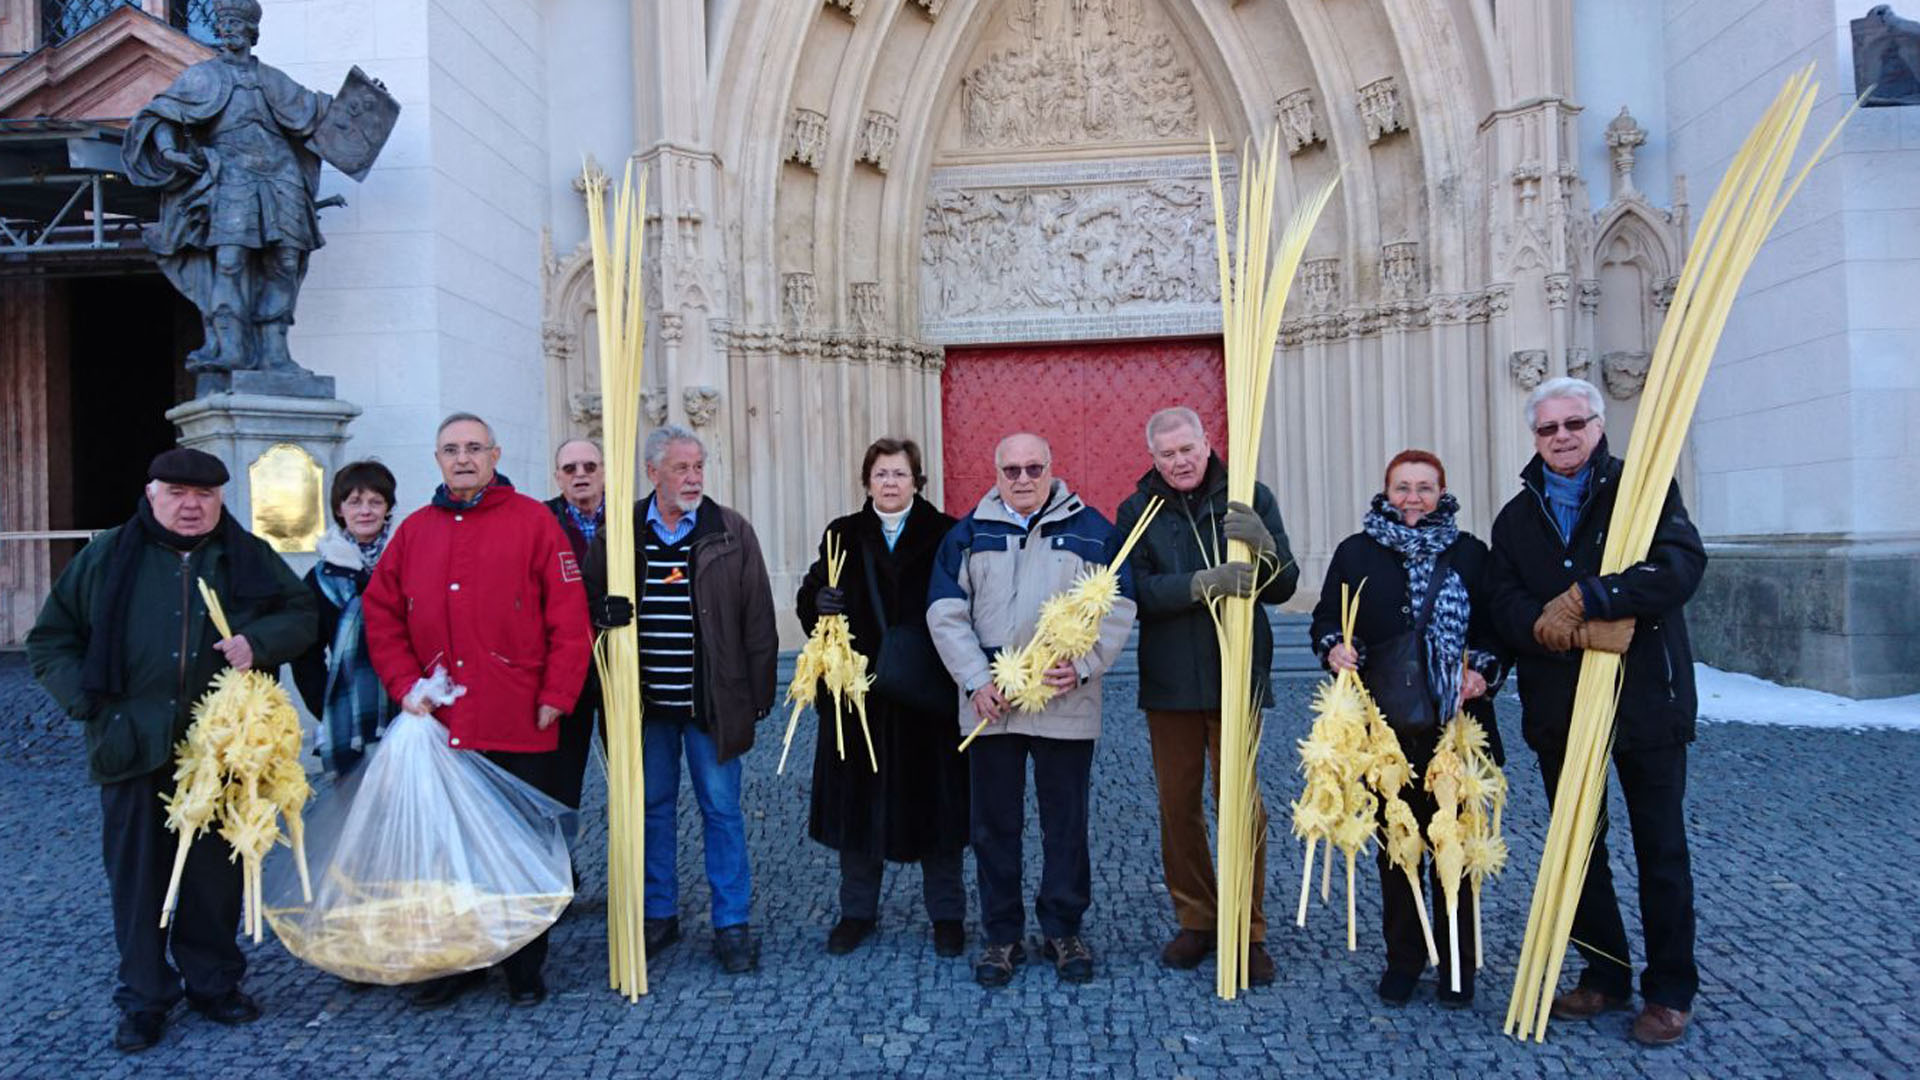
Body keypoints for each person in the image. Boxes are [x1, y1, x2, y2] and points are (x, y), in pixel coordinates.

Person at [27, 448, 316, 1053]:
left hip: (221, 751)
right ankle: (144, 997)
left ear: (219, 500)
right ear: (151, 492)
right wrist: (90, 702)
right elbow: (51, 639)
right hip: (133, 746)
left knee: (215, 876)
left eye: (205, 494)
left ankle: (212, 983)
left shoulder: (245, 553)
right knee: (138, 880)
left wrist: (257, 643)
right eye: (178, 492)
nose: (192, 505)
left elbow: (301, 614)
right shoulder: (108, 554)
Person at [1483, 376, 1705, 1046]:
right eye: (1548, 429)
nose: (1562, 437)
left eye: (1574, 424)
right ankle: (1605, 973)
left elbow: (1681, 565)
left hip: (1645, 700)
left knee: (1660, 847)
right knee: (1578, 848)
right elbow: (1506, 602)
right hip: (1561, 704)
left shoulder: (1644, 490)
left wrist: (1592, 596)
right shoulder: (1516, 517)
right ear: (1535, 439)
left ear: (1598, 425)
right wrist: (1563, 627)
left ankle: (1670, 990)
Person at [362, 412, 591, 1008]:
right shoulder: (414, 531)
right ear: (437, 460)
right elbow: (381, 614)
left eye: (473, 448)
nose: (462, 458)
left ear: (495, 453)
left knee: (519, 844)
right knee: (447, 849)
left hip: (518, 717)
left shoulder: (535, 522)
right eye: (450, 450)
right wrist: (404, 683)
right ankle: (454, 959)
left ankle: (522, 963)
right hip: (442, 724)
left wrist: (557, 694)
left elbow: (569, 618)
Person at [927, 433, 1136, 988]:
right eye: (1012, 469)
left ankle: (1063, 929)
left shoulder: (1093, 530)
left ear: (1051, 469)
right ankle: (1001, 935)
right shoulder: (967, 534)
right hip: (990, 706)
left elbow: (1119, 606)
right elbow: (946, 613)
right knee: (994, 826)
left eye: (1033, 468)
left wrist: (1086, 664)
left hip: (1065, 702)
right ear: (995, 473)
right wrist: (975, 680)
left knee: (1064, 825)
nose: (1023, 478)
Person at [1308, 448, 1508, 1008]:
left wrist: (1482, 671)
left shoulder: (1471, 554)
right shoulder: (1356, 552)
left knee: (1455, 843)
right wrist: (1335, 647)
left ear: (1442, 492)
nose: (1413, 497)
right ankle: (1405, 957)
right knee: (1397, 845)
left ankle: (1458, 963)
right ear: (1386, 490)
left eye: (1424, 487)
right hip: (1384, 726)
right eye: (1403, 487)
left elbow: (1496, 629)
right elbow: (1328, 616)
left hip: (1457, 721)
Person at [1113, 407, 1297, 987]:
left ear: (1206, 441)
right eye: (1166, 454)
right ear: (1153, 457)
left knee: (1242, 804)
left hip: (1237, 672)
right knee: (1178, 804)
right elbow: (1132, 590)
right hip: (1169, 680)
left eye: (1186, 449)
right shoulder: (1136, 511)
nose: (1179, 461)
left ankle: (1249, 929)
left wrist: (1264, 548)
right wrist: (1199, 585)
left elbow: (1284, 584)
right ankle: (1196, 918)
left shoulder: (1249, 496)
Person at [593, 426, 778, 974]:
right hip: (645, 706)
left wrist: (757, 696)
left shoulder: (731, 530)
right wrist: (602, 618)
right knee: (651, 810)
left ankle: (732, 922)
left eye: (699, 466)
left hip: (711, 705)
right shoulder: (621, 531)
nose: (694, 477)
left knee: (721, 811)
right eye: (681, 468)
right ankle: (658, 914)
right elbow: (589, 604)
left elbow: (758, 618)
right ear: (653, 473)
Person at [795, 438, 969, 959]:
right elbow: (811, 593)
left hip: (927, 694)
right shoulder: (842, 533)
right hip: (859, 695)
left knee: (939, 812)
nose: (889, 483)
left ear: (918, 480)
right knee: (858, 812)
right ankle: (857, 913)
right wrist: (816, 602)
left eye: (899, 474)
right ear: (866, 482)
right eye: (880, 475)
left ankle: (947, 916)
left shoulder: (947, 532)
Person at [121, 0, 332, 374]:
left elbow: (317, 112)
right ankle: (230, 346)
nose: (229, 29)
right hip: (231, 174)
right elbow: (160, 114)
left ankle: (275, 351)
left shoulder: (273, 78)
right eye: (224, 23)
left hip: (280, 174)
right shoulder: (203, 76)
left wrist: (360, 105)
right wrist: (170, 151)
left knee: (284, 260)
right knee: (230, 260)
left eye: (236, 23)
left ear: (252, 31)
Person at [542, 438, 626, 856]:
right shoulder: (540, 522)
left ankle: (633, 876)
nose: (581, 475)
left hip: (622, 669)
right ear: (557, 476)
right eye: (570, 468)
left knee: (630, 781)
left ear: (605, 472)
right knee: (557, 783)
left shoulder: (632, 520)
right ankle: (559, 872)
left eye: (589, 466)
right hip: (564, 673)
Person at [291, 460, 398, 776]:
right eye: (355, 502)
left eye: (375, 502)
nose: (365, 511)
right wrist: (329, 709)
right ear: (340, 509)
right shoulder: (319, 579)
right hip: (346, 716)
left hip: (407, 708)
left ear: (388, 508)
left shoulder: (405, 564)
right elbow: (306, 655)